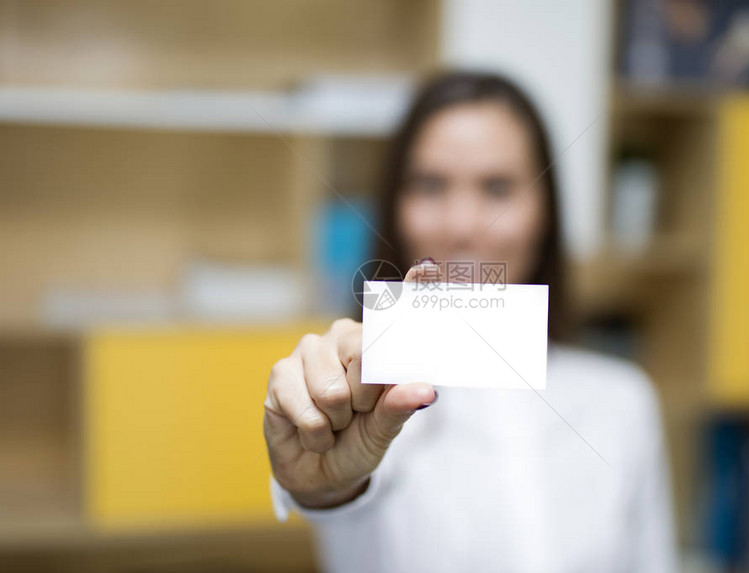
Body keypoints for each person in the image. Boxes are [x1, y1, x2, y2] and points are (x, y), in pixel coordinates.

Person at [263, 72, 678, 572]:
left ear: (545, 211)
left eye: (498, 187)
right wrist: (323, 481)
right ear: (395, 207)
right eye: (430, 185)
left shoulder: (623, 403)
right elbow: (341, 492)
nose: (461, 225)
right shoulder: (357, 400)